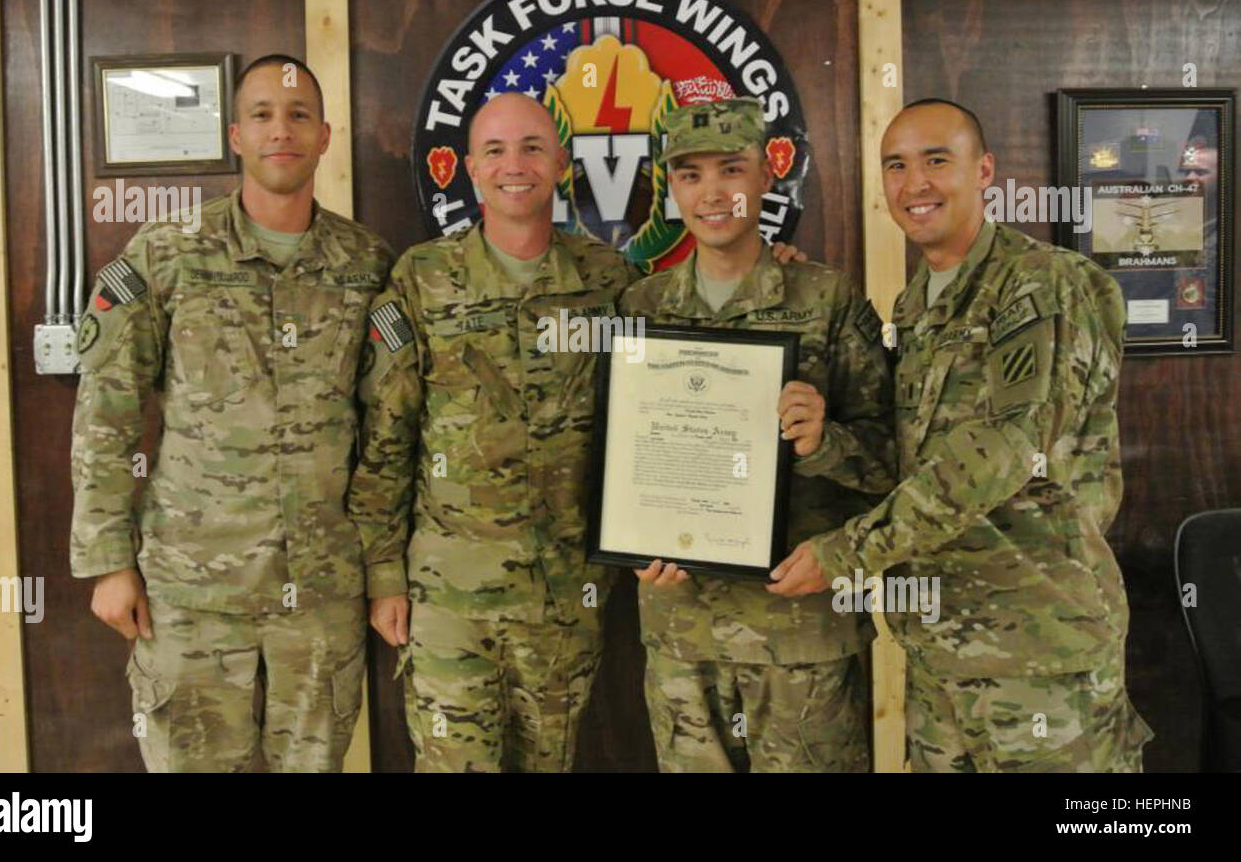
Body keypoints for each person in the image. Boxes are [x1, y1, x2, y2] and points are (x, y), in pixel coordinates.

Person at [351, 91, 812, 771]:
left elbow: (685, 379)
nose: (516, 165)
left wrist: (775, 270)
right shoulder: (422, 279)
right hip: (449, 592)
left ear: (562, 163)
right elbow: (387, 436)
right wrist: (384, 573)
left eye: (533, 147)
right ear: (470, 169)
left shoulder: (608, 280)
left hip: (567, 594)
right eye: (497, 150)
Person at [780, 98, 1153, 772]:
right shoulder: (919, 305)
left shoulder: (1042, 284)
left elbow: (1006, 451)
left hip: (1038, 655)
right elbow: (915, 461)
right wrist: (824, 444)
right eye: (896, 165)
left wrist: (846, 552)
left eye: (936, 160)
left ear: (984, 171)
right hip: (940, 649)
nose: (914, 183)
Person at [70, 54, 394, 772]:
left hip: (320, 589)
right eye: (263, 116)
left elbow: (389, 428)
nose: (282, 130)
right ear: (236, 135)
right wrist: (107, 560)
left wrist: (384, 568)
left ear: (325, 136)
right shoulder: (167, 255)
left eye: (299, 115)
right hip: (191, 589)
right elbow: (107, 407)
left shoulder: (366, 263)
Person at [621, 98, 895, 772]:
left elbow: (896, 458)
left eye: (731, 170)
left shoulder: (827, 300)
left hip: (799, 637)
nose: (712, 193)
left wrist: (824, 440)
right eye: (689, 174)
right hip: (682, 629)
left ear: (765, 177)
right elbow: (616, 455)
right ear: (671, 188)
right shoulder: (641, 307)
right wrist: (629, 537)